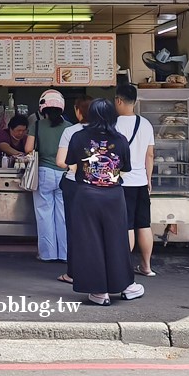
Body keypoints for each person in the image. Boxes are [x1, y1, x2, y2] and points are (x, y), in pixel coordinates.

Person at [60, 98, 144, 306]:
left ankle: (99, 292)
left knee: (90, 242)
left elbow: (70, 163)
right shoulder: (121, 139)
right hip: (114, 197)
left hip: (86, 195)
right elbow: (125, 169)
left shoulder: (78, 137)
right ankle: (125, 285)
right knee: (117, 241)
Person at [24, 89, 73, 263]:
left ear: (42, 108)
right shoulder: (69, 127)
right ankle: (65, 254)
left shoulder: (36, 125)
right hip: (64, 174)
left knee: (44, 214)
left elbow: (28, 149)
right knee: (63, 215)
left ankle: (47, 254)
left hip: (43, 173)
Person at [114, 84, 157, 277]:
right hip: (141, 182)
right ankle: (146, 266)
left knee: (127, 225)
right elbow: (150, 155)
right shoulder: (145, 124)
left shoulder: (114, 125)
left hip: (123, 183)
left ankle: (124, 267)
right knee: (144, 225)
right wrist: (148, 180)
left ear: (119, 100)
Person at [55, 95, 94, 284]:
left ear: (78, 112)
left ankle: (73, 273)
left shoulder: (70, 131)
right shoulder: (104, 130)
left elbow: (60, 161)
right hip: (98, 185)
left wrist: (74, 167)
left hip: (74, 185)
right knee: (95, 229)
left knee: (74, 228)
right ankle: (95, 270)